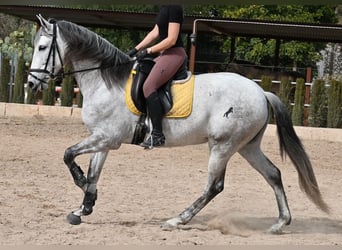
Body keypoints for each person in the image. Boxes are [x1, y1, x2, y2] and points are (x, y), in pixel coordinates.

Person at [127, 5, 187, 148]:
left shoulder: (175, 7)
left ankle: (158, 134)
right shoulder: (164, 8)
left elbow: (172, 39)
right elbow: (155, 33)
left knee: (149, 86)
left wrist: (149, 50)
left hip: (174, 53)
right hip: (164, 54)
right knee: (140, 75)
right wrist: (135, 49)